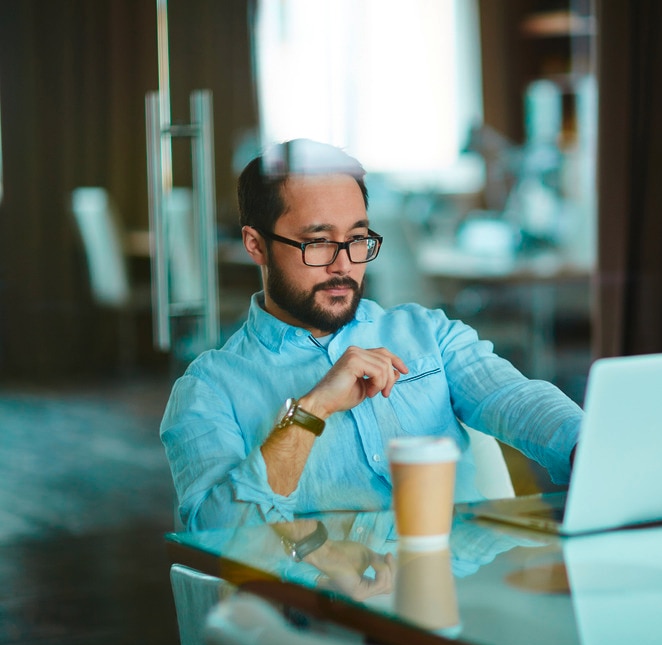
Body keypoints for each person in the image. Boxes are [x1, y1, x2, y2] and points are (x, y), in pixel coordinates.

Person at [161, 139, 583, 531]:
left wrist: (588, 447)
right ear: (256, 245)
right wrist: (312, 410)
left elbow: (514, 398)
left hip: (463, 591)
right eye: (319, 242)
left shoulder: (427, 332)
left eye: (358, 239)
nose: (344, 265)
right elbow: (217, 532)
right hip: (333, 604)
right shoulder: (210, 388)